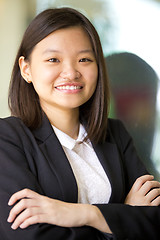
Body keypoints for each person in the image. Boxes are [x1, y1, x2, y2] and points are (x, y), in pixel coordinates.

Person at [0, 7, 159, 240]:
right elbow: (28, 236)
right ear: (26, 69)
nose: (71, 72)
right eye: (53, 59)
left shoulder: (115, 134)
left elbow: (154, 220)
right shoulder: (8, 139)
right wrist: (123, 217)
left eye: (84, 59)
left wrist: (82, 214)